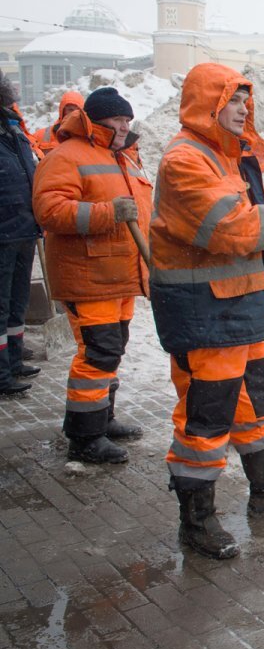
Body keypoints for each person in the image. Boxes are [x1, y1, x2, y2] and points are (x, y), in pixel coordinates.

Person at [150, 63, 264, 560]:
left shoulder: (228, 158)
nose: (244, 109)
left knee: (255, 403)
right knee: (206, 419)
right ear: (208, 105)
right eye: (233, 100)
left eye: (247, 100)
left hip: (238, 308)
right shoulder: (185, 160)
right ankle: (197, 521)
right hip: (203, 314)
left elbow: (244, 228)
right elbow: (229, 228)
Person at [32, 87, 152, 463]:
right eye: (118, 119)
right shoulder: (67, 156)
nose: (125, 126)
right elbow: (49, 210)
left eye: (128, 119)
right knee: (97, 353)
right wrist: (106, 213)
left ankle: (102, 418)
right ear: (95, 120)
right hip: (89, 275)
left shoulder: (123, 157)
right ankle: (85, 438)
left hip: (120, 274)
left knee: (111, 349)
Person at [0, 75, 41, 397]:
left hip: (24, 229)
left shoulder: (14, 130)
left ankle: (14, 361)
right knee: (1, 306)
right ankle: (1, 374)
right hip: (4, 232)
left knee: (17, 303)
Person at [31, 91, 85, 160]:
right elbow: (30, 150)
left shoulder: (87, 137)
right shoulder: (41, 135)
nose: (74, 113)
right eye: (70, 109)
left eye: (78, 110)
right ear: (62, 111)